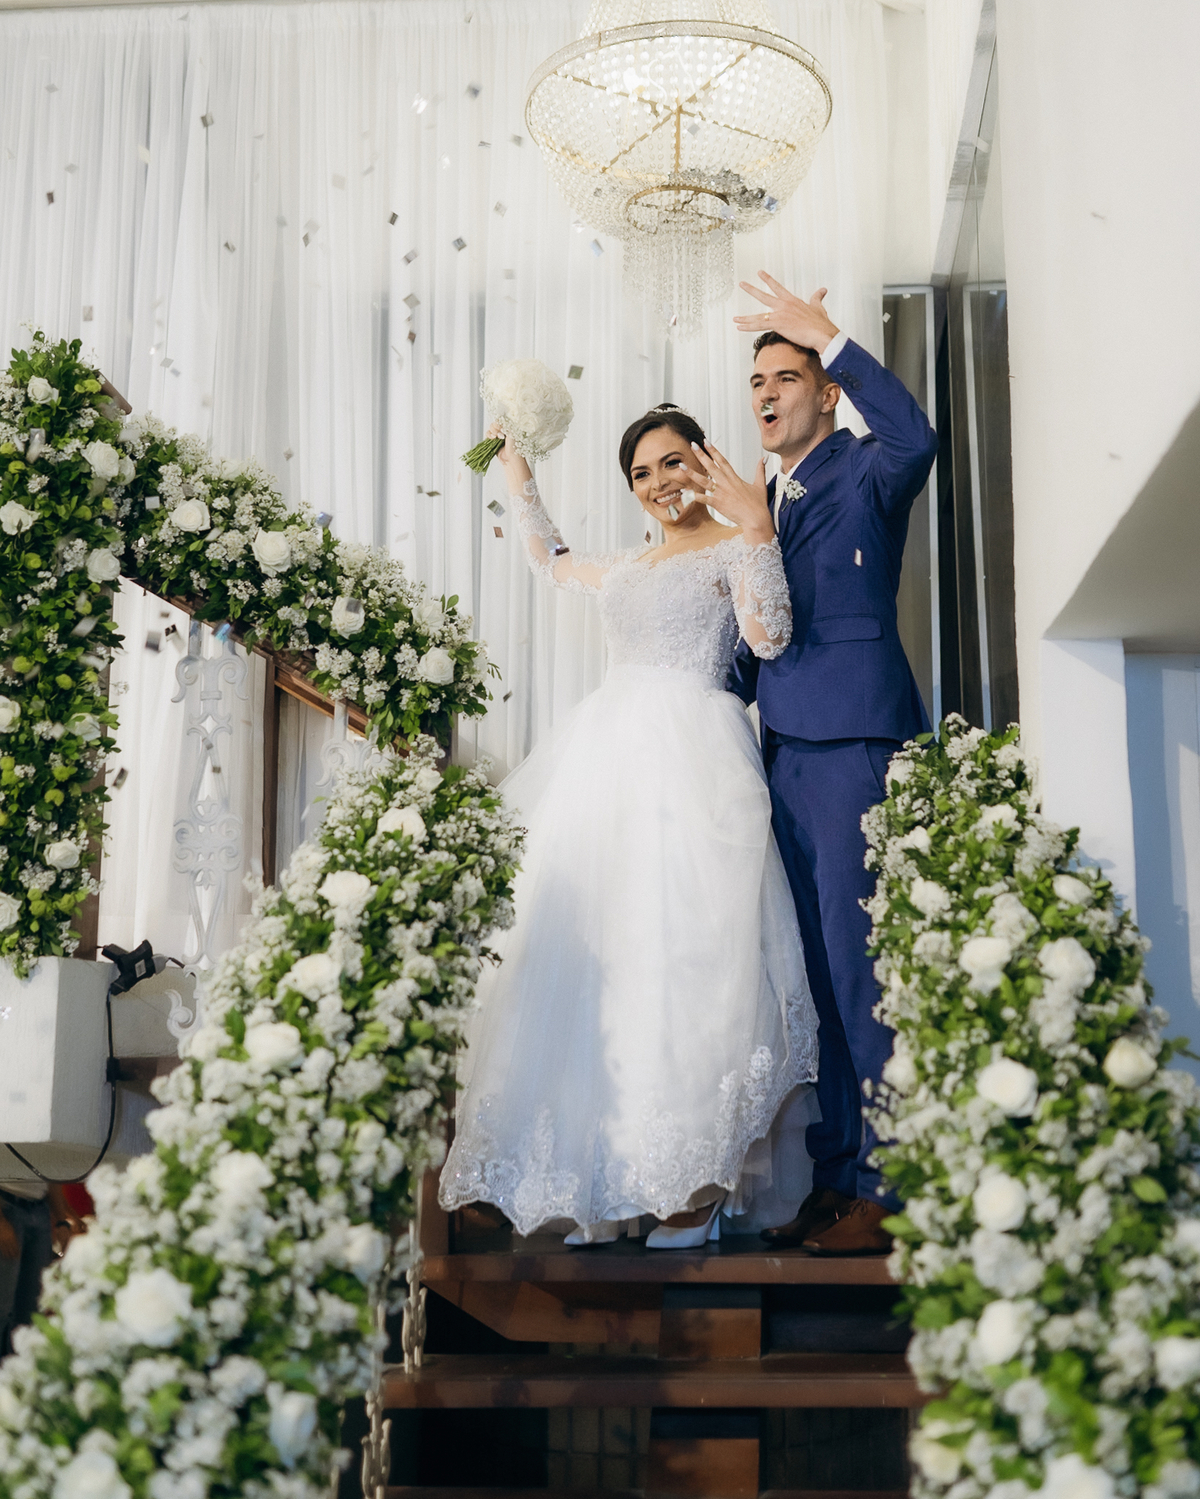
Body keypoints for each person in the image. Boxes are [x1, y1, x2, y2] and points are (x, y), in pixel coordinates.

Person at [439, 405, 819, 1248]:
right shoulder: (629, 565)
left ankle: (692, 1186)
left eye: (672, 463)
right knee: (601, 965)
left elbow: (770, 637)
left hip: (693, 757)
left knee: (683, 958)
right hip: (606, 764)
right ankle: (607, 1181)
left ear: (704, 460)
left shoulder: (735, 545)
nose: (659, 484)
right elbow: (551, 561)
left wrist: (757, 530)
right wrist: (517, 470)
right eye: (642, 474)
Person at [727, 273, 938, 1256]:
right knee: (814, 974)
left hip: (856, 741)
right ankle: (841, 1171)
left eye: (786, 375)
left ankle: (891, 1184)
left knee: (862, 967)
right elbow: (753, 634)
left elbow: (919, 438)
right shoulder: (760, 496)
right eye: (756, 381)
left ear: (826, 391)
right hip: (782, 754)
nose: (766, 393)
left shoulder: (866, 468)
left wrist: (836, 336)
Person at [0, 1177, 86, 1354]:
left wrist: (61, 1221)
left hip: (39, 1210)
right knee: (4, 1305)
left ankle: (21, 1365)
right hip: (7, 1204)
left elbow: (49, 1176)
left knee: (32, 1306)